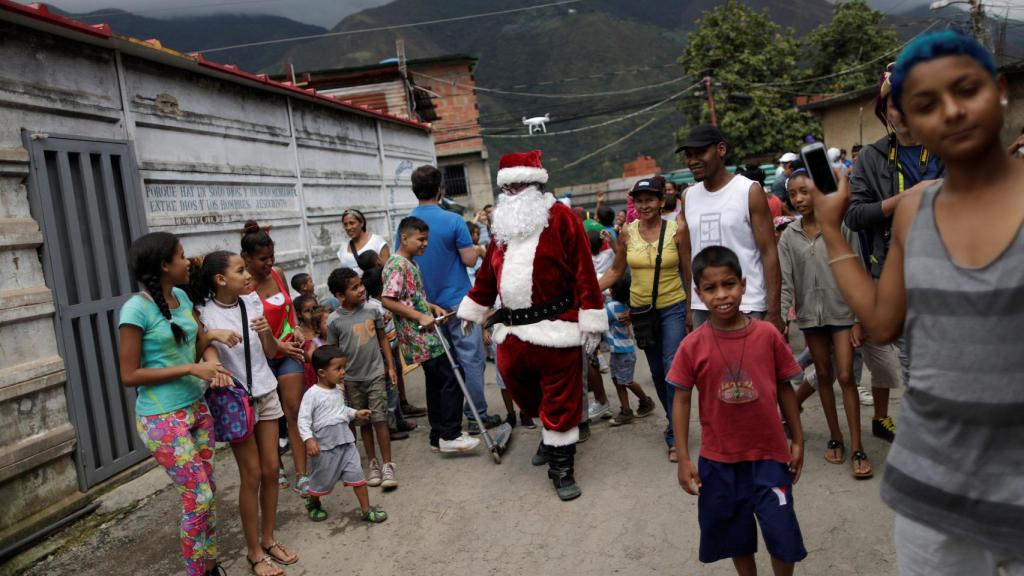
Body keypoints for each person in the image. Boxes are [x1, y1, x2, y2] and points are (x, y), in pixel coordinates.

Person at [816, 29, 1024, 575]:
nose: (951, 112)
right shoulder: (913, 211)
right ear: (907, 119)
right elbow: (884, 323)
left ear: (998, 89)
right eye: (926, 104)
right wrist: (832, 231)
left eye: (966, 89)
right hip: (933, 500)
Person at [458, 150, 607, 501]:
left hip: (555, 329)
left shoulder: (562, 219)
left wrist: (591, 319)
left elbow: (585, 271)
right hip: (512, 334)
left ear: (536, 184)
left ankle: (562, 467)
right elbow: (486, 277)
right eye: (508, 186)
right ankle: (548, 435)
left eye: (520, 184)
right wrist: (472, 311)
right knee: (526, 395)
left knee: (560, 399)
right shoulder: (502, 229)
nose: (513, 192)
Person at [670, 245, 807, 576]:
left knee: (781, 531)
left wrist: (798, 439)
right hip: (719, 462)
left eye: (729, 284)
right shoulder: (693, 345)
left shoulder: (767, 335)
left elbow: (785, 387)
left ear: (744, 284)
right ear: (698, 294)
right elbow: (681, 398)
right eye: (710, 288)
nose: (721, 295)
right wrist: (685, 457)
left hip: (769, 457)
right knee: (735, 536)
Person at [118, 232, 233, 576]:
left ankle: (209, 566)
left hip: (196, 409)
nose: (188, 262)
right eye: (182, 256)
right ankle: (196, 571)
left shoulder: (182, 297)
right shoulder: (136, 309)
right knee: (198, 499)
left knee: (207, 493)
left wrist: (211, 362)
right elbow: (129, 374)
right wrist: (190, 368)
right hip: (161, 419)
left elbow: (199, 345)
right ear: (165, 265)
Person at [844, 60, 946, 444]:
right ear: (884, 111)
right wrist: (904, 199)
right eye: (893, 103)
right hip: (894, 275)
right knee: (915, 367)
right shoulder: (871, 157)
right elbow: (854, 216)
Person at [191, 251, 299, 575]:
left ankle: (268, 539)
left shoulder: (250, 302)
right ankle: (254, 552)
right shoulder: (203, 313)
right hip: (235, 402)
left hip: (265, 392)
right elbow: (198, 353)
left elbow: (268, 351)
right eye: (241, 270)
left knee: (271, 472)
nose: (248, 275)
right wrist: (211, 335)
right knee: (250, 476)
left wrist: (267, 330)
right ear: (221, 279)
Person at [779, 164, 871, 478]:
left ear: (819, 191)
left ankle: (858, 446)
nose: (799, 198)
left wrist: (860, 317)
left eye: (805, 191)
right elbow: (786, 281)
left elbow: (857, 266)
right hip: (810, 316)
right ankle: (836, 436)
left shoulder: (841, 224)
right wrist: (781, 318)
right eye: (793, 194)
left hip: (843, 312)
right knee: (822, 374)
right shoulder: (788, 236)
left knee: (846, 375)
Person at [399, 165, 498, 433]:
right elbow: (468, 259)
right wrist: (478, 249)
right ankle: (477, 415)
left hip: (426, 308)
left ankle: (445, 421)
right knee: (471, 359)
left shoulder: (406, 225)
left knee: (438, 366)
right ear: (440, 189)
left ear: (414, 190)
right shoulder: (453, 220)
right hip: (457, 302)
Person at [599, 176, 688, 462]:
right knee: (658, 374)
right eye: (640, 200)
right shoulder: (627, 233)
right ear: (634, 204)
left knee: (672, 367)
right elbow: (615, 271)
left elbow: (689, 272)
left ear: (662, 201)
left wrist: (691, 311)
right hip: (641, 312)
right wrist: (585, 291)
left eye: (651, 199)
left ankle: (676, 434)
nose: (645, 205)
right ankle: (674, 423)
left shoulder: (678, 230)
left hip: (673, 305)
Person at [383, 216, 480, 454]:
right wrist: (419, 317)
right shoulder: (397, 265)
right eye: (420, 239)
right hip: (419, 336)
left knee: (437, 382)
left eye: (427, 239)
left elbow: (411, 296)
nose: (425, 244)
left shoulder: (411, 264)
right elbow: (388, 299)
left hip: (427, 331)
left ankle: (438, 434)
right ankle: (450, 433)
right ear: (404, 238)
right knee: (451, 377)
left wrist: (430, 307)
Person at [677, 124, 783, 333]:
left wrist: (773, 311)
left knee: (750, 366)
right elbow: (688, 254)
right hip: (704, 307)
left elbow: (769, 251)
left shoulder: (748, 191)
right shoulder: (688, 196)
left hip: (747, 304)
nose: (692, 161)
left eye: (700, 153)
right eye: (689, 155)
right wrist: (691, 305)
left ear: (721, 150)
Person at [240, 221, 309, 494]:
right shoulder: (243, 286)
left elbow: (289, 308)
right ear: (246, 258)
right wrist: (279, 344)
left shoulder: (278, 274)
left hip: (289, 352)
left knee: (293, 410)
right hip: (261, 358)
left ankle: (302, 474)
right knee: (269, 418)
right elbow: (249, 330)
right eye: (262, 259)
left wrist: (297, 330)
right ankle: (277, 466)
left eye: (272, 257)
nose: (269, 264)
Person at [326, 267, 398, 490]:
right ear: (340, 295)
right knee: (363, 421)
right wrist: (337, 382)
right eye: (354, 287)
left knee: (380, 419)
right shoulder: (334, 321)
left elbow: (383, 339)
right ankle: (373, 463)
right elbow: (333, 352)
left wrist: (391, 366)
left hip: (375, 374)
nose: (361, 289)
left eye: (361, 284)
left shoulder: (372, 310)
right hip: (352, 380)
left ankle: (387, 465)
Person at [298, 346, 388, 524]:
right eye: (338, 368)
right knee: (320, 482)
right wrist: (309, 440)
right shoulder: (312, 395)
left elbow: (340, 411)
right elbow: (303, 420)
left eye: (343, 367)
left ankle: (366, 509)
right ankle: (313, 502)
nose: (343, 372)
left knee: (358, 477)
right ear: (322, 372)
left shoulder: (338, 390)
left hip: (346, 442)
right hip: (325, 447)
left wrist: (354, 413)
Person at [604, 271, 656, 426]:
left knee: (625, 381)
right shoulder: (625, 305)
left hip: (622, 352)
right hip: (621, 351)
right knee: (617, 380)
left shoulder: (611, 307)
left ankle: (645, 402)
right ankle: (626, 410)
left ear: (612, 291)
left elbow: (600, 319)